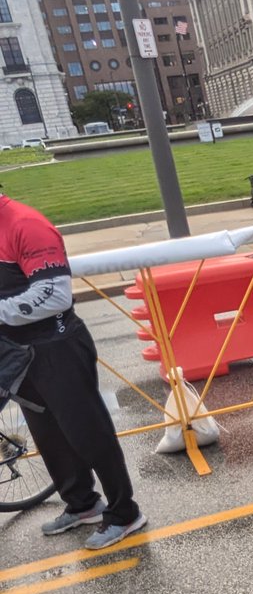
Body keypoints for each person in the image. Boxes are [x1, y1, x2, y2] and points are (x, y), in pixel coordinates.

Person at [0, 189, 145, 548]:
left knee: (87, 432)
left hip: (58, 347)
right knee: (49, 436)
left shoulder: (25, 224)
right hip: (19, 353)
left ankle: (125, 513)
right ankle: (83, 504)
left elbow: (55, 295)